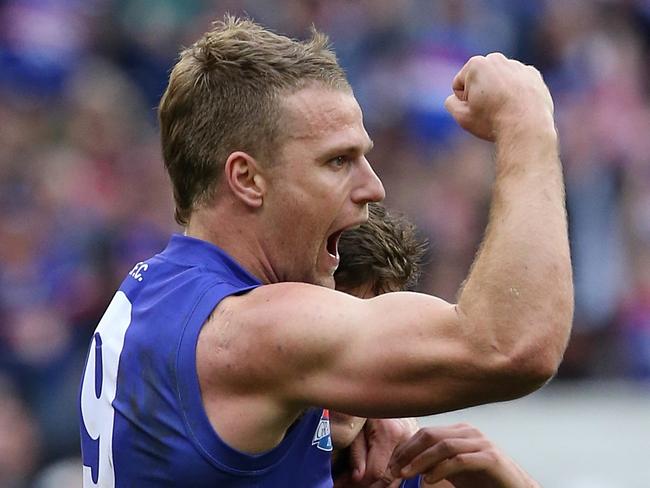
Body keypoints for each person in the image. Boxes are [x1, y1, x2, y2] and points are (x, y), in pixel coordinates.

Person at [79, 15, 573, 487]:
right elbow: (509, 346)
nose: (373, 187)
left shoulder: (156, 297)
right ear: (247, 179)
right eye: (338, 160)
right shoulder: (248, 333)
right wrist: (526, 121)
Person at [330, 204, 539, 488]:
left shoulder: (415, 470)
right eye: (329, 336)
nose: (350, 363)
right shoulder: (251, 437)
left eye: (375, 340)